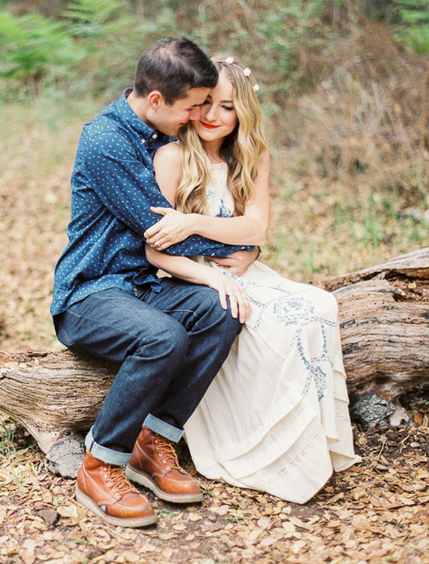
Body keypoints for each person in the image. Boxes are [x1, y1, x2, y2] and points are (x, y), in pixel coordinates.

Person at [50, 39, 260, 527]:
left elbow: (186, 226)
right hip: (90, 293)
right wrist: (238, 250)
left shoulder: (155, 132)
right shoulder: (106, 142)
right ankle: (100, 465)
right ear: (158, 101)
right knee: (163, 337)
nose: (197, 117)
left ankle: (154, 441)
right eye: (191, 108)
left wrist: (238, 253)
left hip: (142, 286)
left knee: (221, 310)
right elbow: (160, 228)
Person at [144, 55, 360, 504]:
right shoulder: (172, 156)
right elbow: (157, 248)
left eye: (226, 106)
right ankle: (268, 451)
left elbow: (256, 228)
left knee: (320, 305)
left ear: (243, 110)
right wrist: (206, 251)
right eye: (204, 103)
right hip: (193, 277)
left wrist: (192, 224)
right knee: (266, 324)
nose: (211, 116)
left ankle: (312, 443)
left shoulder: (251, 155)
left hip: (245, 268)